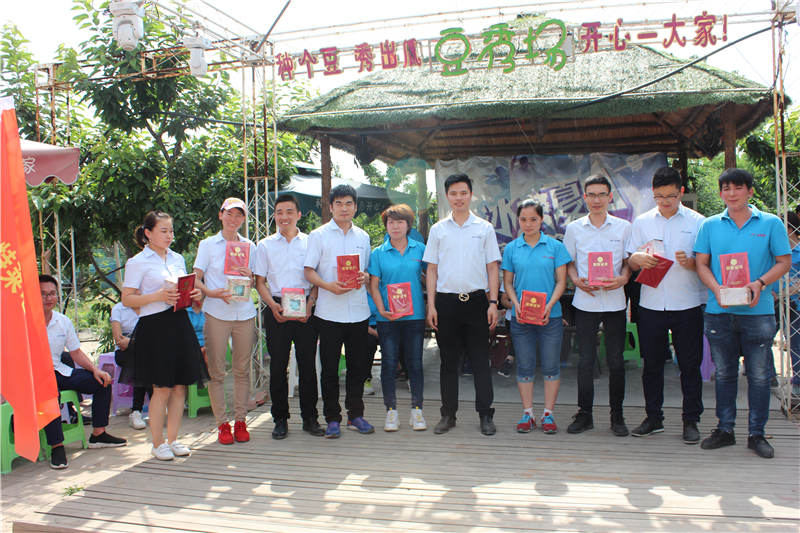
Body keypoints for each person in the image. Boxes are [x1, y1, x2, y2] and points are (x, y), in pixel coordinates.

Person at [694, 168, 791, 458]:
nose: (731, 193)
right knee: (724, 374)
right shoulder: (710, 225)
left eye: (738, 188)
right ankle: (725, 429)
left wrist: (759, 283)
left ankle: (756, 434)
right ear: (721, 193)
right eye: (726, 188)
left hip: (758, 312)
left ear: (750, 191)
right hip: (719, 311)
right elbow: (701, 264)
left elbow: (784, 261)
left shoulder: (771, 223)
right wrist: (717, 289)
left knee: (759, 376)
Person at [626, 167, 707, 444]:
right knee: (652, 365)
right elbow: (630, 260)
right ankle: (653, 417)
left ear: (681, 192)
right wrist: (638, 259)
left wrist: (691, 263)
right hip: (651, 304)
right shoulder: (642, 222)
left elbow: (707, 263)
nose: (665, 202)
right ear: (653, 193)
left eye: (670, 196)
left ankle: (691, 420)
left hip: (687, 303)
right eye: (659, 197)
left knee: (690, 365)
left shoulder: (698, 222)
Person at [121, 210, 208, 461]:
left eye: (171, 230)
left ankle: (173, 439)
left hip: (179, 322)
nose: (169, 235)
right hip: (155, 326)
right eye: (163, 230)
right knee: (162, 388)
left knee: (180, 387)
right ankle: (157, 443)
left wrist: (193, 295)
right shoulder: (138, 262)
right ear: (148, 233)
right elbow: (127, 298)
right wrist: (157, 296)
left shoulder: (177, 258)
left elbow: (184, 289)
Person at [423, 173, 501, 436]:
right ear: (447, 196)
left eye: (463, 193)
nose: (459, 198)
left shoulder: (484, 228)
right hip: (446, 303)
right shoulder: (438, 230)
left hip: (477, 302)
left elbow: (493, 268)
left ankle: (485, 414)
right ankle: (448, 414)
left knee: (480, 361)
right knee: (448, 362)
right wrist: (431, 305)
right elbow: (432, 270)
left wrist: (493, 302)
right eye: (454, 193)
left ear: (471, 195)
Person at [563, 174, 632, 437]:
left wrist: (623, 278)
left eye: (602, 194)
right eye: (591, 194)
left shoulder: (623, 227)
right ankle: (585, 415)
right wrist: (575, 281)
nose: (597, 199)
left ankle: (617, 416)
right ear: (584, 197)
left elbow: (628, 262)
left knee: (616, 362)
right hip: (585, 302)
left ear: (610, 197)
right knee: (585, 362)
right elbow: (568, 262)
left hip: (615, 302)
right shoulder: (574, 229)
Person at [304, 184, 374, 438]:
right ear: (331, 206)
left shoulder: (363, 237)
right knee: (330, 369)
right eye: (339, 204)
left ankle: (356, 415)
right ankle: (332, 418)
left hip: (358, 312)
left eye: (349, 204)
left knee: (357, 367)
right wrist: (327, 286)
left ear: (355, 207)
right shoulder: (318, 235)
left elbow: (366, 272)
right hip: (328, 313)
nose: (344, 208)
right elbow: (308, 271)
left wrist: (365, 277)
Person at [39, 275, 127, 469]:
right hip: (36, 377)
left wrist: (95, 370)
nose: (48, 298)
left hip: (60, 371)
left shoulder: (63, 321)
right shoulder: (24, 323)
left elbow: (76, 352)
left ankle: (98, 434)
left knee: (102, 381)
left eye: (52, 293)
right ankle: (57, 447)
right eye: (43, 294)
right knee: (49, 393)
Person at [254, 193, 322, 439]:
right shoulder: (264, 245)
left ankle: (310, 418)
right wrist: (273, 306)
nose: (284, 217)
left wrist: (311, 304)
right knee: (278, 366)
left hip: (306, 307)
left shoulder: (311, 242)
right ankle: (280, 419)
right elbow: (259, 282)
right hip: (277, 307)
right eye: (279, 212)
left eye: (289, 212)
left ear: (299, 214)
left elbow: (317, 278)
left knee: (307, 366)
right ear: (274, 215)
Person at [501, 200, 571, 434]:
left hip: (550, 317)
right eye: (523, 219)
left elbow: (561, 281)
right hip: (521, 318)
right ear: (518, 221)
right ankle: (528, 413)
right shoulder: (512, 248)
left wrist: (549, 305)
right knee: (524, 366)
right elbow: (508, 283)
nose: (528, 223)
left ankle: (548, 414)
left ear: (542, 220)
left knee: (551, 366)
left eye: (533, 219)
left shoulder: (555, 247)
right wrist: (516, 304)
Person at [193, 198, 257, 445]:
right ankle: (222, 424)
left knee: (242, 370)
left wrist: (250, 276)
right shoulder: (208, 245)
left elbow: (256, 280)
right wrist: (210, 292)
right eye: (229, 214)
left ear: (244, 219)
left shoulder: (249, 246)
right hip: (216, 313)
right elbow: (195, 277)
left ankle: (240, 420)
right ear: (221, 215)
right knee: (217, 371)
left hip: (244, 313)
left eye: (239, 215)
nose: (234, 219)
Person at [368, 204, 427, 432]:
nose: (395, 226)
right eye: (390, 222)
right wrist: (381, 310)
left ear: (408, 225)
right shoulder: (378, 253)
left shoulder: (420, 249)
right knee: (389, 364)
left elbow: (431, 275)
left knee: (415, 363)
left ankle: (417, 410)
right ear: (386, 226)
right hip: (388, 318)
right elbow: (374, 285)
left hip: (415, 316)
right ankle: (391, 411)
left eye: (400, 222)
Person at [110, 301, 151, 430]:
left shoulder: (149, 306)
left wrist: (132, 341)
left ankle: (138, 411)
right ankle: (143, 409)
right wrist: (142, 343)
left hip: (146, 353)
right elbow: (119, 341)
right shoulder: (119, 309)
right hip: (125, 353)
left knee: (145, 359)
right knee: (141, 361)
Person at [786, 211, 800, 397]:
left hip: (795, 303)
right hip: (777, 300)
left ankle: (797, 382)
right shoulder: (777, 251)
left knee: (796, 342)